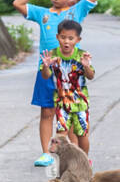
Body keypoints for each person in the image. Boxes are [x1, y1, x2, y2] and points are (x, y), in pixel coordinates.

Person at [12, 0, 100, 167]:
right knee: (47, 111)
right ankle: (46, 153)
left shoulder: (77, 10)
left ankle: (73, 156)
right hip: (47, 69)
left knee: (68, 113)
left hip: (70, 74)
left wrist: (75, 0)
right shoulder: (42, 13)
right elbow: (18, 3)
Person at [39, 20, 95, 154]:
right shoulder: (52, 54)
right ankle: (62, 163)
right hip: (62, 102)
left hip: (80, 103)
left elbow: (91, 76)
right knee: (60, 135)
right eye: (63, 37)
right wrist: (46, 66)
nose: (66, 41)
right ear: (57, 37)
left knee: (82, 134)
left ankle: (84, 161)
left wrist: (86, 66)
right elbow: (46, 76)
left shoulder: (81, 55)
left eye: (71, 38)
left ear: (78, 39)